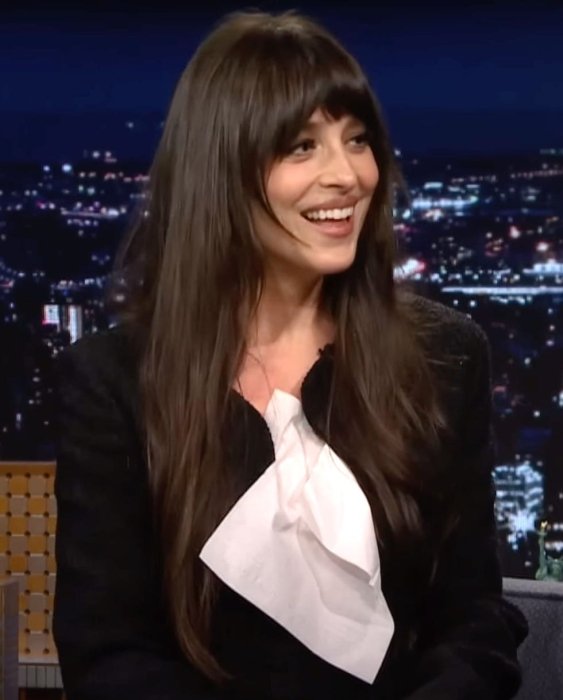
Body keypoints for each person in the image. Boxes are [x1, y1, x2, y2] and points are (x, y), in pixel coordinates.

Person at [53, 10, 528, 700]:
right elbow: (108, 654)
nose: (347, 175)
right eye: (302, 147)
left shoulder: (445, 357)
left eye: (357, 140)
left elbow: (475, 622)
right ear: (222, 171)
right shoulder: (113, 382)